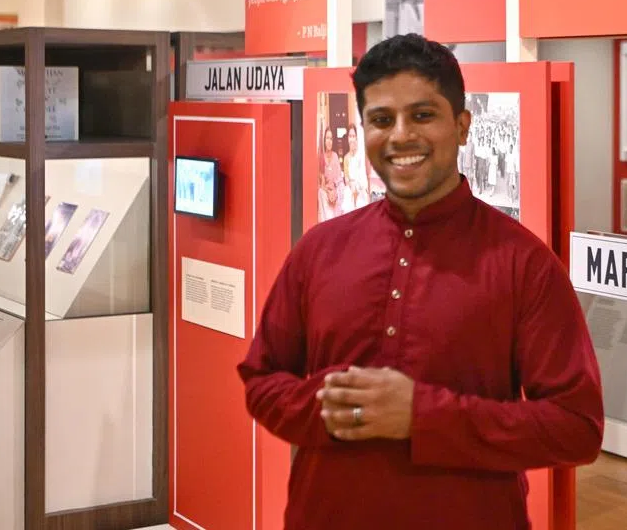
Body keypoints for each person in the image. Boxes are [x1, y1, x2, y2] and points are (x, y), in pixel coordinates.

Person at [237, 33, 604, 529]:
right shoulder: (318, 250)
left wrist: (422, 416)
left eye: (423, 115)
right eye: (382, 120)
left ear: (463, 125)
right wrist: (328, 406)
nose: (401, 136)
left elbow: (576, 428)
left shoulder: (524, 263)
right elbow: (261, 380)